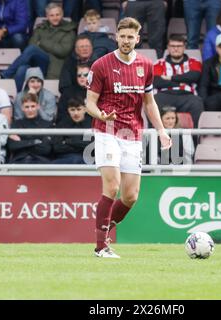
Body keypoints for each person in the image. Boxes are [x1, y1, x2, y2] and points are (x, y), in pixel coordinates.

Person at [86, 17, 171, 258]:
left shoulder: (146, 65)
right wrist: (102, 115)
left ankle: (101, 230)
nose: (126, 40)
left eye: (130, 37)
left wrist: (161, 130)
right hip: (107, 131)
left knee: (131, 196)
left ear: (137, 38)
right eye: (122, 36)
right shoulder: (101, 65)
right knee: (111, 186)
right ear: (116, 37)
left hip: (133, 134)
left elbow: (149, 102)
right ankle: (101, 246)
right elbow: (89, 103)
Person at [1, 3, 77, 89]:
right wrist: (50, 47)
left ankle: (6, 74)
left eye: (57, 14)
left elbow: (63, 51)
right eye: (52, 15)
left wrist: (42, 43)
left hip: (54, 64)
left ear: (62, 15)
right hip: (38, 62)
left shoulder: (69, 30)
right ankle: (18, 98)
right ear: (47, 16)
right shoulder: (40, 28)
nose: (55, 18)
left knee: (33, 49)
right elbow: (32, 44)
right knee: (22, 69)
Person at [153, 34, 204, 127]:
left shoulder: (194, 62)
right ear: (168, 47)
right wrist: (182, 81)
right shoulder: (159, 63)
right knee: (153, 102)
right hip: (165, 96)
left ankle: (196, 139)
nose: (176, 49)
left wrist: (170, 78)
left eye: (179, 46)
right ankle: (154, 140)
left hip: (187, 96)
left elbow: (194, 77)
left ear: (184, 47)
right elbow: (157, 82)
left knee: (197, 102)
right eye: (173, 46)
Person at [8, 92, 53, 164]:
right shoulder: (16, 124)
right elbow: (12, 146)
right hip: (19, 161)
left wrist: (22, 142)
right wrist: (35, 141)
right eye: (27, 107)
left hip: (41, 161)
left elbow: (45, 149)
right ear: (22, 108)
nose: (30, 110)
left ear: (38, 106)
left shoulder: (47, 125)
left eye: (33, 106)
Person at [53, 98, 92, 164]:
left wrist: (67, 141)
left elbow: (89, 147)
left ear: (85, 109)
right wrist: (79, 144)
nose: (76, 113)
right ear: (68, 110)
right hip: (66, 157)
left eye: (79, 109)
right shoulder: (62, 124)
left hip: (86, 158)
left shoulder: (91, 124)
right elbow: (57, 147)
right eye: (72, 110)